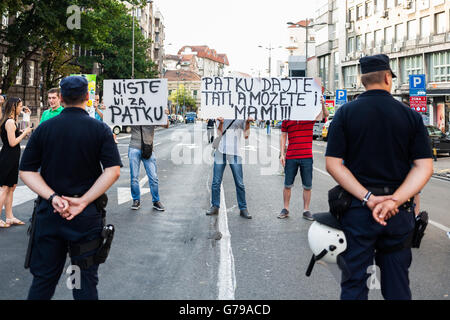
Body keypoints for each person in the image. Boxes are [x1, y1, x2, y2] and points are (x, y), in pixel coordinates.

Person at [325, 54, 433, 300]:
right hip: (398, 214)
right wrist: (394, 200)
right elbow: (423, 167)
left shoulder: (345, 114)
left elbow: (333, 164)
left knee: (354, 285)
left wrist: (369, 198)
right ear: (387, 77)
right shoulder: (411, 117)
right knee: (397, 287)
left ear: (361, 80)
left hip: (358, 211)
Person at [19, 75, 122, 300]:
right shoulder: (100, 130)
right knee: (84, 284)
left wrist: (53, 197)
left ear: (62, 97)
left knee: (43, 281)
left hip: (50, 213)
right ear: (87, 97)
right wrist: (83, 201)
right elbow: (113, 171)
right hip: (85, 217)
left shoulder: (44, 129)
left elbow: (26, 171)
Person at [278, 98, 329, 220]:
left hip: (306, 156)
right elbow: (283, 136)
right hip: (291, 156)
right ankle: (285, 208)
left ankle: (306, 210)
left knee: (307, 186)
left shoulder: (310, 116)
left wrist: (322, 103)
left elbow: (326, 114)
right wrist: (282, 154)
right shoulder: (287, 117)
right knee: (287, 184)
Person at [206, 117, 253, 219]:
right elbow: (219, 133)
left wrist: (248, 122)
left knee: (239, 183)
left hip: (235, 153)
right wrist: (221, 122)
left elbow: (246, 136)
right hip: (220, 151)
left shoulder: (241, 116)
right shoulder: (221, 112)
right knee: (216, 181)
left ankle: (243, 208)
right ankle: (215, 206)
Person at [0, 98, 32, 228]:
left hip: (12, 157)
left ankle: (9, 217)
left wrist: (27, 116)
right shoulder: (9, 122)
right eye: (19, 106)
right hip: (7, 157)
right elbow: (13, 142)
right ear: (13, 107)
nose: (21, 108)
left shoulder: (13, 121)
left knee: (11, 187)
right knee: (4, 188)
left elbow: (24, 135)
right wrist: (25, 131)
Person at [129, 114, 170, 212]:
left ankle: (156, 201)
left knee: (153, 177)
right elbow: (112, 117)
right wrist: (100, 110)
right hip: (134, 147)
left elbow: (166, 125)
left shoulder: (152, 113)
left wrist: (165, 115)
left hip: (148, 149)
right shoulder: (132, 113)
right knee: (134, 177)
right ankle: (136, 200)